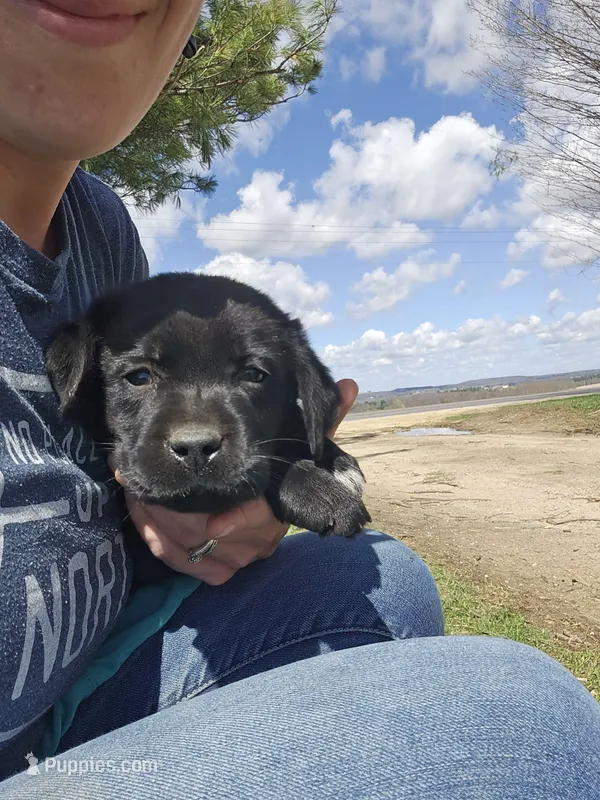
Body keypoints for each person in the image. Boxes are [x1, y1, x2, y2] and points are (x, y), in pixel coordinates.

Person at [0, 2, 598, 797]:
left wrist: (225, 495)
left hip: (68, 712)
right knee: (530, 727)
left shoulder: (98, 228)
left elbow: (120, 440)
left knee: (383, 578)